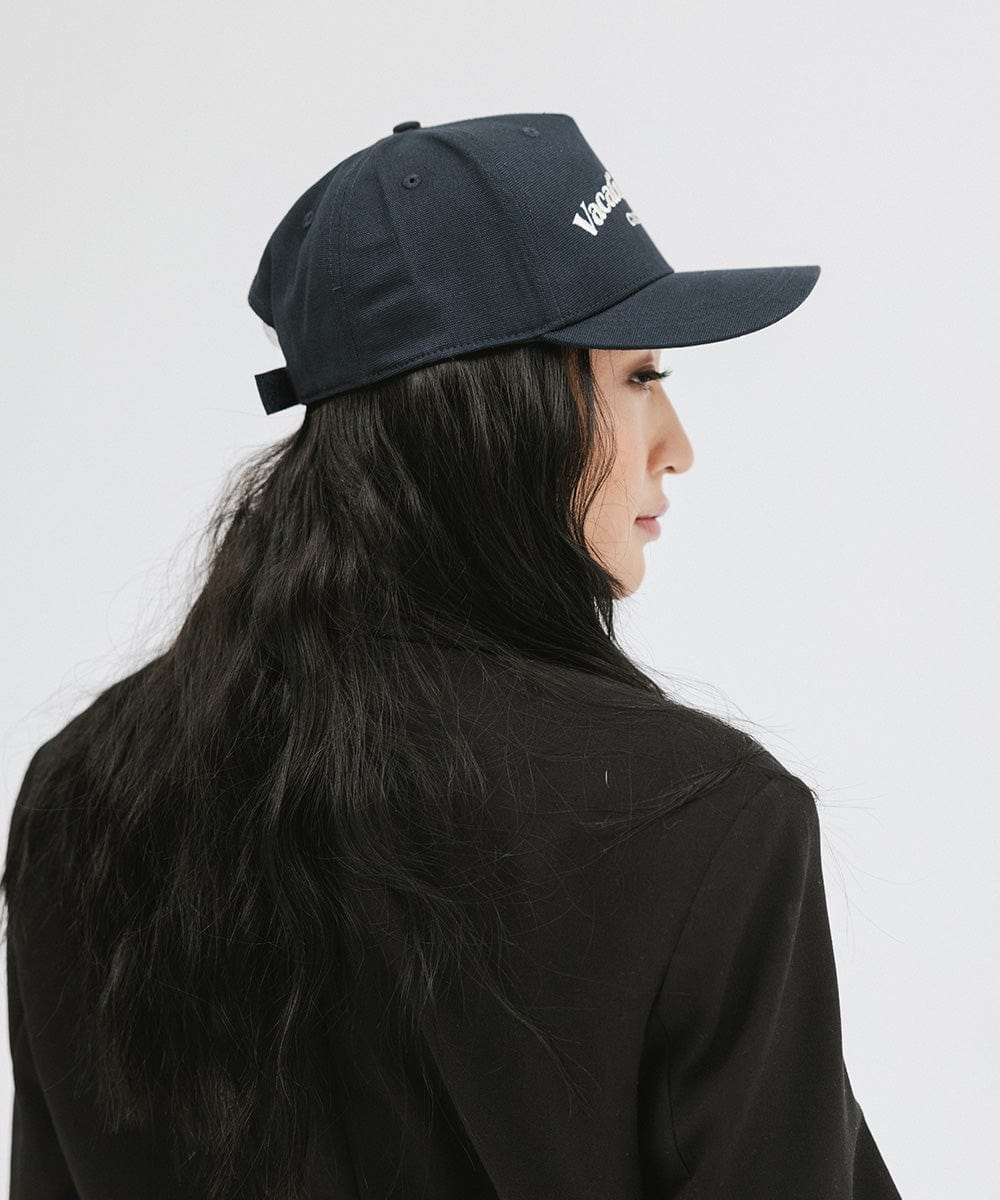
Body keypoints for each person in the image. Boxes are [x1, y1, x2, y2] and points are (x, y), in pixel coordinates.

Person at [2, 112, 903, 1198]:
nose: (679, 447)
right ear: (499, 408)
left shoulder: (84, 792)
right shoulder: (703, 821)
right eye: (639, 377)